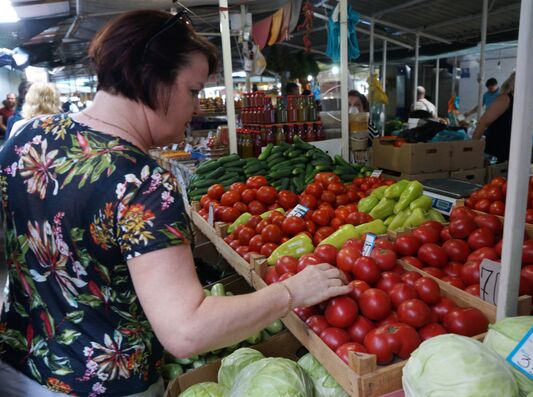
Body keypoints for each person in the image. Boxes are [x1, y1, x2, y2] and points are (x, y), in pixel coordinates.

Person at [0, 10, 350, 397]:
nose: (197, 108)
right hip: (105, 387)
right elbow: (186, 330)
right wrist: (291, 293)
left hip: (18, 369)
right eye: (194, 90)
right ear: (150, 78)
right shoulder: (141, 182)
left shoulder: (28, 137)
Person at [472, 66, 533, 162]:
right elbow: (482, 124)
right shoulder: (505, 100)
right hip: (498, 160)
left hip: (518, 159)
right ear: (530, 82)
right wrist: (472, 154)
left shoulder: (527, 104)